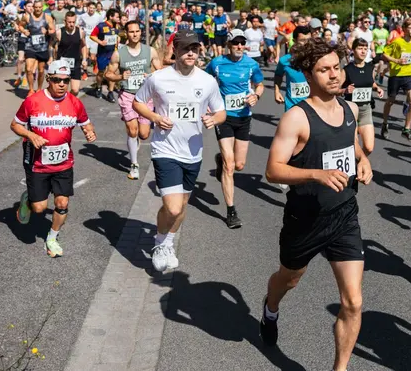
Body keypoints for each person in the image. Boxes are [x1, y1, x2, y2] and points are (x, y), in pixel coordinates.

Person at [260, 37, 373, 371]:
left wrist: (362, 159)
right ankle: (270, 306)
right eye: (325, 70)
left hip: (344, 215)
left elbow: (350, 145)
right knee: (289, 279)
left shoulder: (350, 109)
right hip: (305, 217)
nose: (335, 75)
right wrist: (316, 175)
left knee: (353, 301)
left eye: (337, 67)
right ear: (308, 75)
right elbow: (272, 170)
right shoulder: (297, 118)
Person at [133, 29, 226, 272]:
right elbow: (137, 102)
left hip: (193, 152)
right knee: (173, 207)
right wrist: (155, 117)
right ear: (175, 50)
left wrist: (214, 120)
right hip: (165, 149)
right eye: (185, 48)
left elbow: (221, 111)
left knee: (182, 206)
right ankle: (161, 242)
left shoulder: (207, 81)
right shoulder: (158, 78)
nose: (190, 53)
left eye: (194, 49)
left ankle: (168, 242)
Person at [12, 60, 96, 257]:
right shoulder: (33, 101)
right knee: (40, 208)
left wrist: (90, 133)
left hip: (63, 163)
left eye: (65, 80)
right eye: (57, 80)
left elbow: (86, 123)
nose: (62, 84)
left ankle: (52, 237)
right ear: (48, 79)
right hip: (37, 163)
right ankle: (29, 201)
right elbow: (15, 125)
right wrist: (31, 136)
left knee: (62, 203)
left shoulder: (75, 102)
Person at [206, 29, 265, 228]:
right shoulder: (216, 63)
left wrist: (256, 96)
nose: (239, 47)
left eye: (242, 43)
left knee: (239, 165)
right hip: (223, 118)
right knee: (230, 167)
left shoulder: (251, 64)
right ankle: (231, 211)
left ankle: (220, 160)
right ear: (229, 44)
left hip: (244, 118)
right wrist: (207, 104)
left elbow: (259, 84)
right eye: (235, 43)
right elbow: (204, 82)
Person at [104, 20, 162, 180]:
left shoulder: (150, 51)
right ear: (126, 33)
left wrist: (151, 76)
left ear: (140, 33)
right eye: (131, 32)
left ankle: (134, 141)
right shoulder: (119, 54)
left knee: (143, 135)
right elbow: (108, 74)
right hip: (128, 94)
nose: (135, 34)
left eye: (137, 31)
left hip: (145, 96)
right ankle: (134, 164)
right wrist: (120, 76)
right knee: (133, 130)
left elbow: (161, 72)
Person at [380, 17, 411, 141]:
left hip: (409, 74)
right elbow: (384, 54)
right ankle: (385, 123)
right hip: (396, 75)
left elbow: (410, 56)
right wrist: (396, 60)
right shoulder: (397, 42)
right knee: (391, 100)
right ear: (404, 29)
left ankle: (406, 129)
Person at [342, 38, 384, 155]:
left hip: (366, 110)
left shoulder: (369, 67)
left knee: (369, 147)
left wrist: (377, 88)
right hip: (351, 110)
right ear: (353, 50)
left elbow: (370, 82)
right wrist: (345, 90)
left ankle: (357, 163)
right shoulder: (347, 69)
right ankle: (356, 168)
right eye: (360, 48)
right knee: (353, 147)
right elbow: (335, 90)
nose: (363, 51)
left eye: (365, 49)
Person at [21, 0, 56, 96]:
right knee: (29, 69)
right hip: (30, 46)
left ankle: (39, 89)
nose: (37, 9)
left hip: (42, 47)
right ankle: (31, 89)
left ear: (42, 7)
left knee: (41, 71)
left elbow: (53, 31)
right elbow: (20, 26)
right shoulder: (27, 17)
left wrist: (48, 31)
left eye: (39, 7)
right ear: (33, 7)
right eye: (36, 7)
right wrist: (24, 31)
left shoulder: (47, 17)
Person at [274, 26, 312, 112]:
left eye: (309, 40)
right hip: (293, 107)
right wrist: (277, 92)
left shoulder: (316, 59)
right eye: (302, 40)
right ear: (294, 41)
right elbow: (278, 75)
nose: (306, 43)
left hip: (313, 106)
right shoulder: (284, 61)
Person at [89, 8, 120, 102]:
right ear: (110, 17)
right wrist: (100, 42)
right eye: (117, 17)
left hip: (112, 53)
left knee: (112, 73)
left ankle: (110, 92)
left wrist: (118, 39)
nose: (119, 18)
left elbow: (116, 35)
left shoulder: (117, 26)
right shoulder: (101, 26)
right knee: (101, 72)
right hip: (102, 53)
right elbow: (92, 35)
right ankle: (98, 87)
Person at [54, 11, 87, 96]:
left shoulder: (80, 32)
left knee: (75, 90)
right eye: (69, 22)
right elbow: (52, 46)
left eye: (73, 22)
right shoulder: (59, 32)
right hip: (62, 65)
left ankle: (69, 102)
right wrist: (52, 59)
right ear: (65, 21)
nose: (71, 24)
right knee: (60, 90)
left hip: (75, 63)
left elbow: (83, 46)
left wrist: (84, 59)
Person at [79, 1, 102, 75]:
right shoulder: (83, 16)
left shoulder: (98, 16)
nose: (91, 9)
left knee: (92, 57)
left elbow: (101, 26)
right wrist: (81, 32)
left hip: (94, 37)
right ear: (87, 8)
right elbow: (79, 25)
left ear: (95, 9)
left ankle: (95, 64)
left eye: (93, 8)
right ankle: (85, 72)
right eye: (90, 8)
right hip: (86, 37)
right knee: (85, 56)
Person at [371, 16, 390, 83]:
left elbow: (388, 40)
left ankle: (377, 74)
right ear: (377, 23)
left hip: (383, 50)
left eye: (382, 23)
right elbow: (371, 41)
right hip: (376, 50)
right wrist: (376, 42)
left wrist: (387, 43)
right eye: (379, 23)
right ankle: (373, 77)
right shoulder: (374, 31)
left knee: (381, 64)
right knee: (375, 65)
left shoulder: (386, 31)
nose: (381, 24)